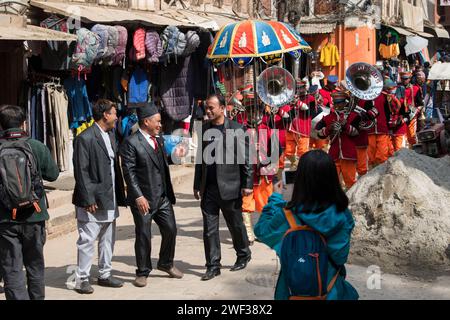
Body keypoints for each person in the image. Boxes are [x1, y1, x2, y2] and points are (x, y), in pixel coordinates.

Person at [254, 149, 359, 300]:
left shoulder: (287, 214)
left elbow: (262, 231)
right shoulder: (342, 215)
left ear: (300, 179)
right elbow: (340, 257)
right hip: (328, 289)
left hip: (292, 291)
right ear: (332, 178)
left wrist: (276, 199)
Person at [120, 102, 183, 288]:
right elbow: (128, 172)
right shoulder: (131, 143)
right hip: (144, 199)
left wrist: (175, 156)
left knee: (171, 229)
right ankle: (142, 271)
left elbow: (161, 162)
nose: (160, 124)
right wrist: (138, 196)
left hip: (162, 197)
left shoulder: (159, 140)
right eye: (157, 121)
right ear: (146, 122)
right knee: (144, 235)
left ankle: (165, 263)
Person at [0, 104, 59, 300]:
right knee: (35, 265)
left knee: (12, 268)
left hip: (6, 219)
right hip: (35, 215)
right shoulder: (36, 146)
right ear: (24, 123)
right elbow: (53, 174)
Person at [193, 94, 253, 281]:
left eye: (212, 108)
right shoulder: (203, 129)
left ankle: (243, 254)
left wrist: (247, 184)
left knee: (235, 224)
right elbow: (199, 160)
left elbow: (247, 159)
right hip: (209, 189)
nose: (208, 111)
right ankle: (213, 265)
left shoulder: (237, 129)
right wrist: (197, 184)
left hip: (230, 186)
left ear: (222, 108)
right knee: (209, 229)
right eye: (207, 108)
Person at [72, 99, 126, 294]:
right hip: (92, 201)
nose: (117, 116)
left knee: (107, 238)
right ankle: (82, 279)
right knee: (87, 239)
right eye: (114, 113)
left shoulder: (109, 135)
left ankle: (105, 274)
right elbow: (81, 171)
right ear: (105, 115)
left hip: (108, 196)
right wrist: (88, 199)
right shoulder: (84, 138)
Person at [315, 91, 361, 189]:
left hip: (348, 154)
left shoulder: (353, 116)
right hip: (333, 154)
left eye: (339, 102)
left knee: (351, 183)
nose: (336, 105)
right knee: (331, 182)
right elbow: (318, 133)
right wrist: (329, 129)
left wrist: (346, 126)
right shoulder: (327, 118)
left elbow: (356, 133)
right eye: (335, 103)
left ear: (345, 103)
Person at [369, 80, 396, 166]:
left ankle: (381, 172)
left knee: (382, 153)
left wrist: (389, 126)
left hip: (382, 128)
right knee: (370, 154)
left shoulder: (385, 96)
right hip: (369, 129)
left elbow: (389, 113)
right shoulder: (363, 97)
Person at [395, 71, 424, 147]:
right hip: (400, 116)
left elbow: (421, 104)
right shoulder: (396, 89)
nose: (404, 80)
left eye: (406, 79)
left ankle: (413, 153)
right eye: (402, 79)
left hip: (411, 115)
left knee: (412, 136)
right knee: (401, 136)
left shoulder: (415, 88)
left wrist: (415, 111)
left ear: (410, 79)